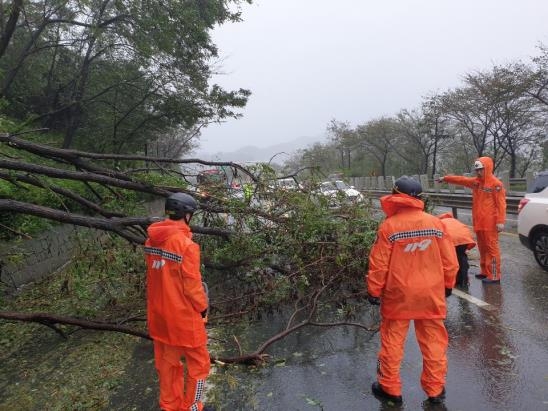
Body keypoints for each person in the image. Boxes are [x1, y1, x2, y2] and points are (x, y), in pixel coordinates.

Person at [366, 176, 459, 405]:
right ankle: (435, 390)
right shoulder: (435, 223)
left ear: (395, 195)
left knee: (392, 342)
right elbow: (450, 261)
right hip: (430, 295)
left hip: (399, 296)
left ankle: (390, 389)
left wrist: (374, 290)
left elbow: (379, 264)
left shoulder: (389, 226)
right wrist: (448, 285)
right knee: (434, 343)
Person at [144, 192, 212, 411]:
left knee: (167, 364)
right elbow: (192, 287)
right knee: (199, 366)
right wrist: (203, 309)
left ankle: (169, 406)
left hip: (159, 316)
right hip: (183, 319)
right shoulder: (186, 245)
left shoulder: (151, 240)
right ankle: (192, 407)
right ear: (187, 215)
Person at [438, 156, 506, 284]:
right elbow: (461, 180)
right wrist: (445, 178)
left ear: (487, 168)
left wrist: (500, 221)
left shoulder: (496, 184)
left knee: (492, 249)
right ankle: (485, 271)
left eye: (481, 170)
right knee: (482, 248)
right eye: (477, 170)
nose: (478, 172)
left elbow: (501, 204)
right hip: (479, 222)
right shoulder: (476, 182)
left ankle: (495, 275)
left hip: (490, 224)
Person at [437, 212, 476, 288]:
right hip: (464, 239)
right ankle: (464, 281)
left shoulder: (439, 222)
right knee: (462, 257)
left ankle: (453, 280)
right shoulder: (455, 221)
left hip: (450, 239)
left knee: (451, 260)